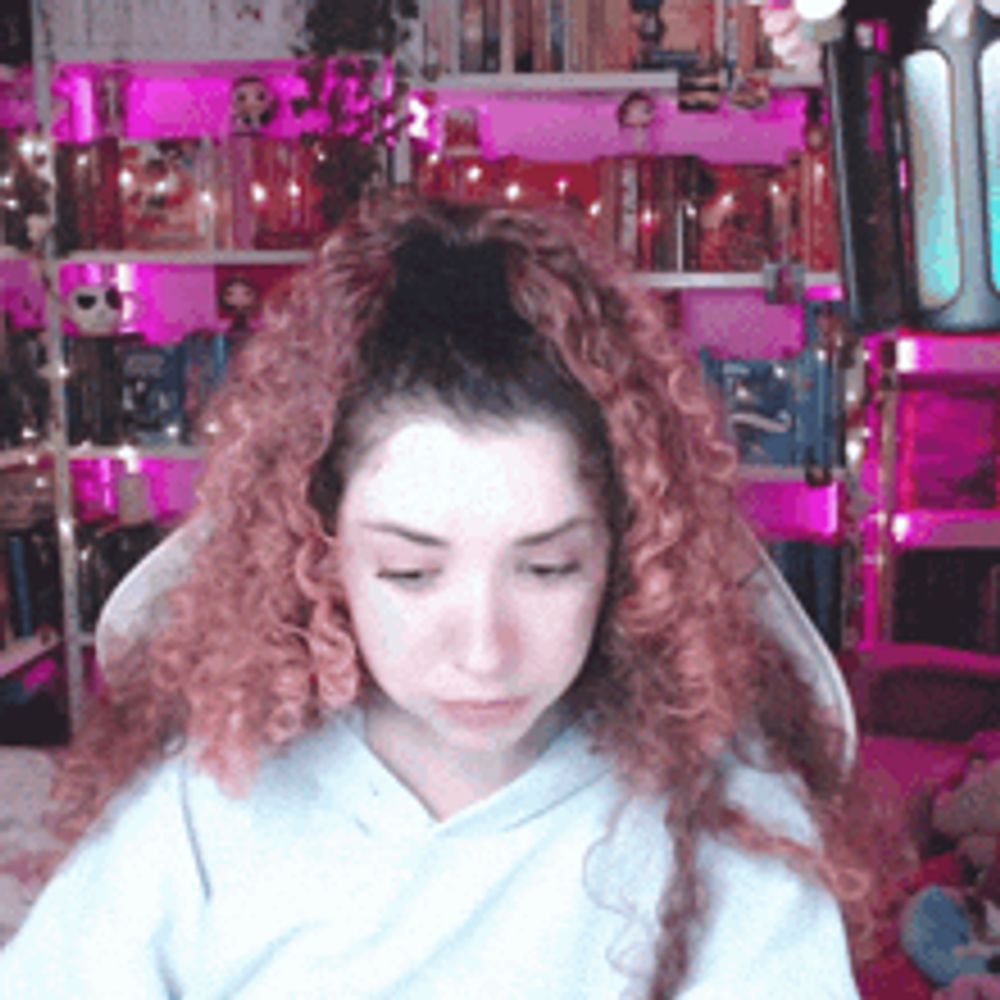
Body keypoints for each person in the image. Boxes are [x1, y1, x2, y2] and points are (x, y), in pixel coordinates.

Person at [0, 194, 893, 998]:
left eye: (547, 569)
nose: (483, 650)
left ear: (627, 558)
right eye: (411, 574)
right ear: (318, 552)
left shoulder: (724, 818)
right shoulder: (208, 803)